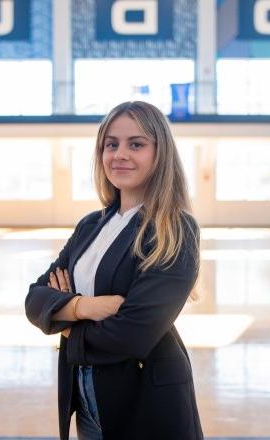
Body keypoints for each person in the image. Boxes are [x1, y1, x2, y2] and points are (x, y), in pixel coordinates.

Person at [25, 101, 203, 440]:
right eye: (111, 144)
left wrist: (63, 323)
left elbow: (132, 333)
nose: (120, 154)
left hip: (145, 401)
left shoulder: (175, 228)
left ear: (159, 153)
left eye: (136, 144)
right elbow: (35, 298)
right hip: (88, 397)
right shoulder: (90, 225)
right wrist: (86, 307)